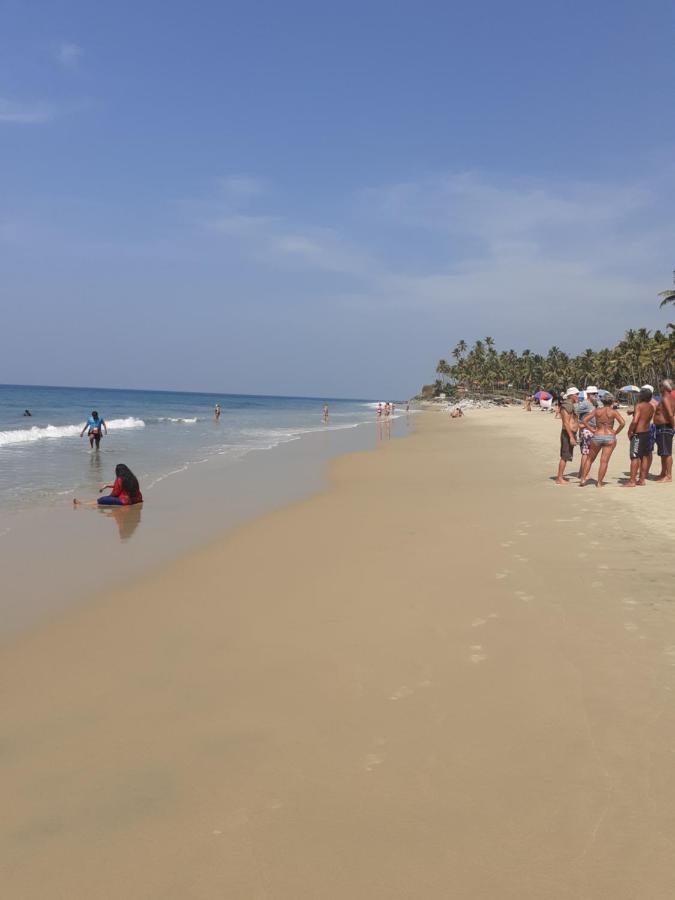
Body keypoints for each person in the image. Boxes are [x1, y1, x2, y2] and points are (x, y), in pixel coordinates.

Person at [580, 394, 625, 487]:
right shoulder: (614, 412)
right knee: (604, 461)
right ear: (612, 402)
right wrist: (615, 432)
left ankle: (583, 479)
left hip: (597, 435)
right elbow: (622, 423)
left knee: (589, 459)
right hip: (609, 436)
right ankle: (599, 483)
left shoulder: (597, 411)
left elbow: (584, 420)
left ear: (602, 402)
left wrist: (591, 429)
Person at [73, 463, 143, 507]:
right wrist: (107, 486)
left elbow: (115, 493)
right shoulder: (132, 478)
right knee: (105, 499)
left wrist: (108, 498)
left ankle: (82, 504)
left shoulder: (120, 479)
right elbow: (122, 486)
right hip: (136, 499)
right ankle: (85, 503)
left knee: (102, 499)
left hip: (125, 501)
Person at [626, 387, 656, 487]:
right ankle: (642, 480)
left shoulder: (639, 405)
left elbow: (635, 421)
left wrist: (630, 431)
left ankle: (632, 481)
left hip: (638, 434)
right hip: (647, 433)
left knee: (634, 457)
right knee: (644, 456)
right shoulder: (651, 406)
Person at [555, 387, 579, 484]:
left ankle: (560, 477)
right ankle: (559, 478)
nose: (577, 396)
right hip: (567, 434)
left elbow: (573, 420)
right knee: (564, 456)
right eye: (576, 394)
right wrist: (571, 437)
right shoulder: (566, 406)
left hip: (571, 433)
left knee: (566, 456)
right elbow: (566, 423)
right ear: (571, 395)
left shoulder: (570, 405)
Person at [653, 378, 675, 483]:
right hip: (662, 427)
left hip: (665, 427)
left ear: (665, 387)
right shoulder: (667, 398)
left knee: (667, 453)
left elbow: (670, 414)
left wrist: (673, 426)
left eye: (661, 385)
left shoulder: (666, 398)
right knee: (663, 452)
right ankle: (663, 473)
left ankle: (669, 476)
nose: (659, 387)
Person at [577, 387, 599, 483]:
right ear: (589, 394)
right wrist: (579, 424)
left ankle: (581, 473)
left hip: (592, 430)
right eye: (594, 394)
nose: (596, 395)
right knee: (586, 453)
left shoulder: (594, 404)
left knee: (587, 452)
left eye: (596, 394)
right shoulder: (585, 404)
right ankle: (584, 475)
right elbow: (574, 412)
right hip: (586, 430)